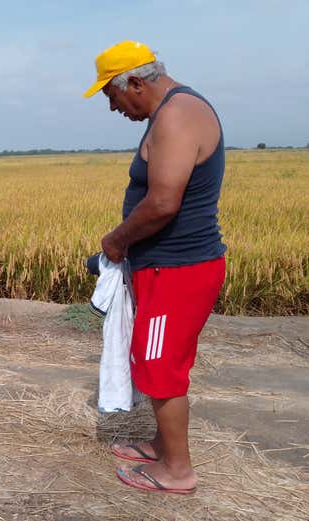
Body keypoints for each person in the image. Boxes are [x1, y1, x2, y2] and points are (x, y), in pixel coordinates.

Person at [84, 40, 226, 494]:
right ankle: (162, 447)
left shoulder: (178, 115)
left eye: (112, 96)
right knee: (153, 357)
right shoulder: (169, 111)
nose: (113, 108)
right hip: (165, 267)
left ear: (136, 83)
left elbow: (163, 202)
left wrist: (116, 241)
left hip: (179, 269)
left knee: (160, 364)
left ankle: (177, 472)